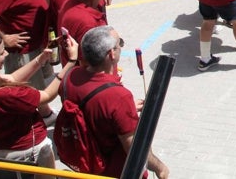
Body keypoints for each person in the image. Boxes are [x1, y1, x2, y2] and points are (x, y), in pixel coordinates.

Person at [60, 26, 168, 178]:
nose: (121, 48)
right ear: (111, 53)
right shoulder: (118, 97)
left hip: (87, 166)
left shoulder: (70, 77)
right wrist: (159, 167)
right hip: (117, 172)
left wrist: (125, 110)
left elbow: (94, 112)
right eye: (120, 44)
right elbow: (134, 150)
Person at [0, 28, 79, 177]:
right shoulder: (8, 95)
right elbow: (47, 95)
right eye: (1, 52)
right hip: (27, 154)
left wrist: (39, 60)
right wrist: (71, 62)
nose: (7, 54)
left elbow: (12, 78)